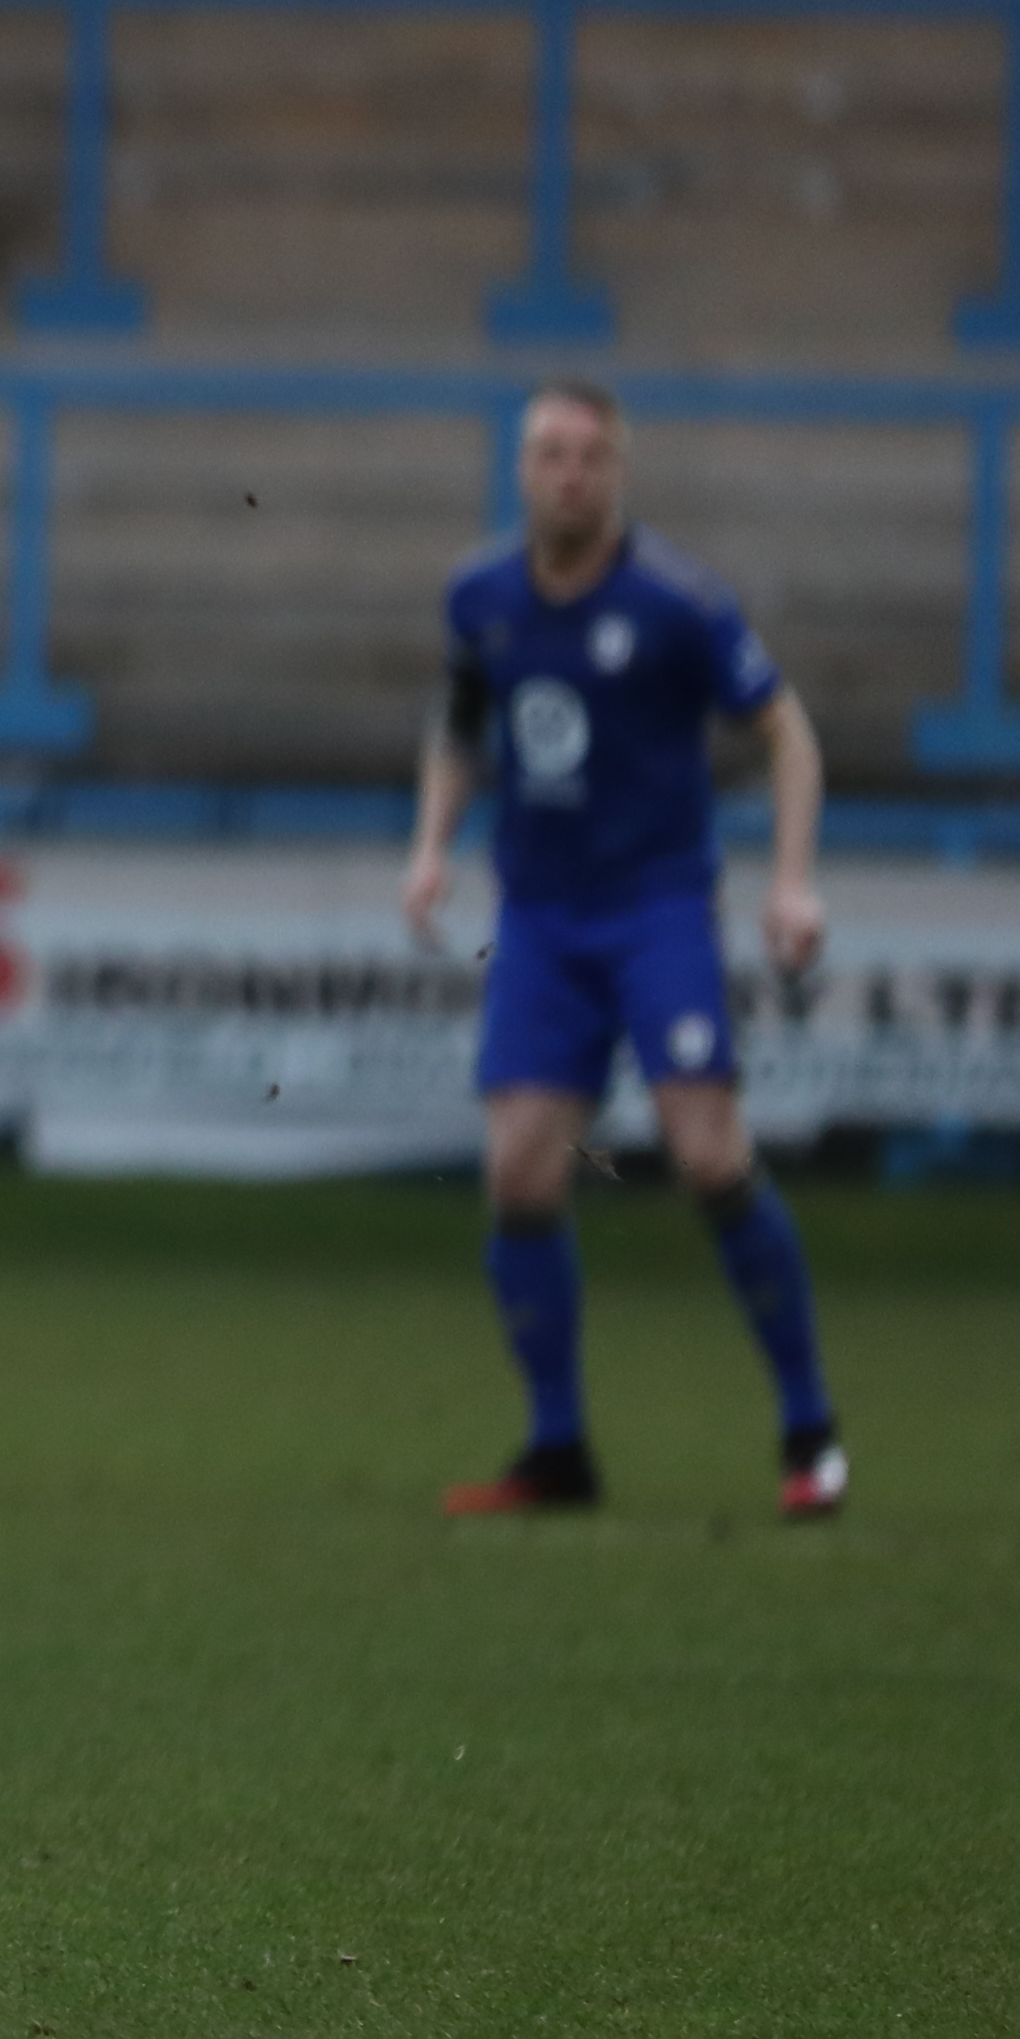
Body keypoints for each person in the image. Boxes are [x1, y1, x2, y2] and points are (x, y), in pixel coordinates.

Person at [397, 379, 839, 1521]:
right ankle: (559, 1453)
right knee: (519, 1173)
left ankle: (809, 1428)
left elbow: (787, 734)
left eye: (589, 454)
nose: (569, 472)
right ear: (521, 467)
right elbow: (459, 724)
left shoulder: (678, 603)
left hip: (657, 910)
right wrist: (431, 845)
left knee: (707, 1152)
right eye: (550, 452)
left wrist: (792, 883)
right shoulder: (480, 594)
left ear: (618, 471)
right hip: (541, 920)